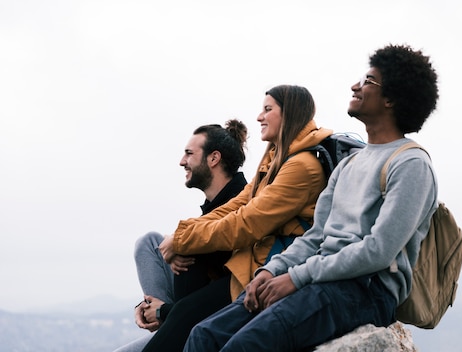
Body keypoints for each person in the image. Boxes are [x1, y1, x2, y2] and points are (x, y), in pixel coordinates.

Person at [183, 44, 440, 352]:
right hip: (320, 278)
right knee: (204, 335)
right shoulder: (348, 164)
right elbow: (316, 235)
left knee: (247, 345)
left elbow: (378, 251)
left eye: (368, 81)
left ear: (391, 99)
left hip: (364, 290)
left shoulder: (410, 164)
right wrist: (270, 271)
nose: (355, 86)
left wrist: (297, 277)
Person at [142, 84, 333, 352]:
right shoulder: (276, 160)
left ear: (289, 114)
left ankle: (165, 317)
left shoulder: (302, 167)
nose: (259, 117)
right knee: (156, 251)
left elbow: (246, 223)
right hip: (250, 266)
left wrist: (183, 241)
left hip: (270, 270)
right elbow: (236, 205)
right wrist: (181, 236)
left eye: (268, 109)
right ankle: (164, 317)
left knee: (193, 324)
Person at [114, 120, 248, 352]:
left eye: (189, 154)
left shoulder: (240, 203)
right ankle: (158, 315)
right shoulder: (213, 206)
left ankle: (165, 318)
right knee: (150, 242)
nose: (181, 161)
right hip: (185, 307)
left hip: (209, 314)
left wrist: (181, 245)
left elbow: (218, 293)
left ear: (213, 159)